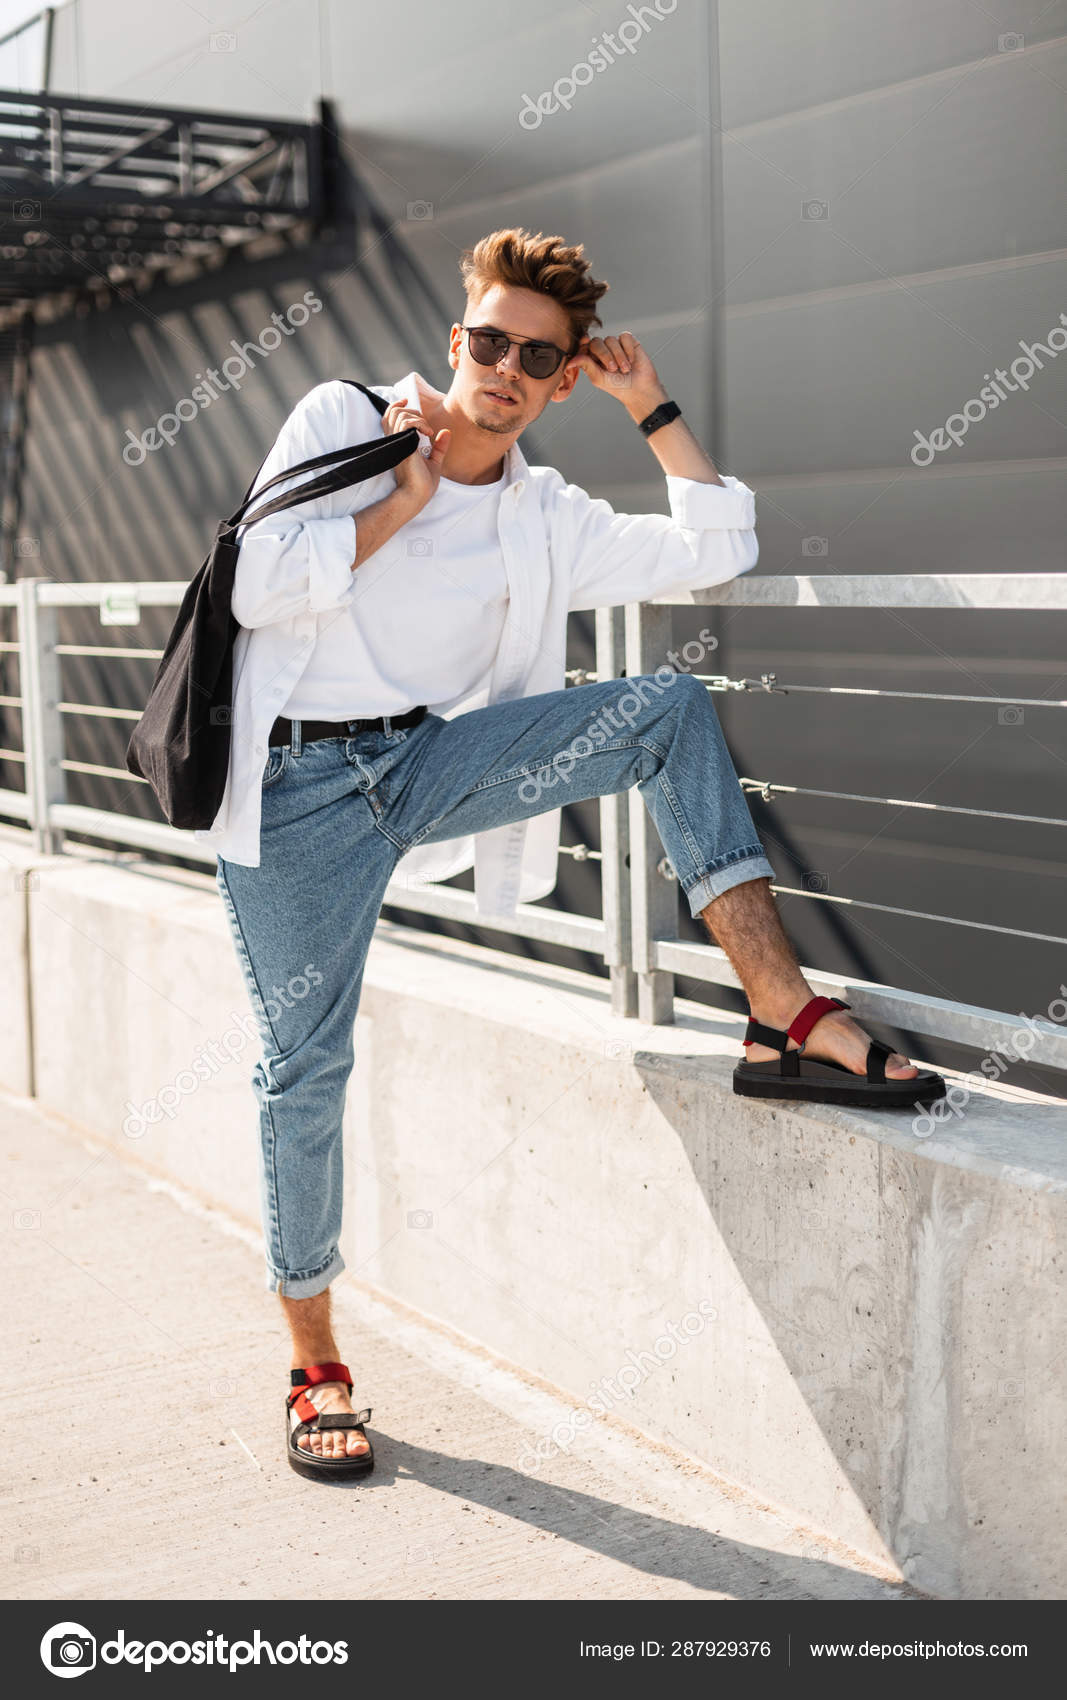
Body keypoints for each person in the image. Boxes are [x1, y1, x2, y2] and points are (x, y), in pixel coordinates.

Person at [202, 227, 945, 1479]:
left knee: (663, 707)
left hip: (423, 767)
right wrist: (399, 505)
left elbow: (718, 547)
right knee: (302, 1068)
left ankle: (777, 1012)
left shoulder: (544, 511)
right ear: (457, 342)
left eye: (533, 357)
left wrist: (649, 406)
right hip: (293, 798)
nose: (501, 366)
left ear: (557, 384)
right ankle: (314, 1355)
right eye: (486, 341)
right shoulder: (345, 419)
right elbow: (255, 590)